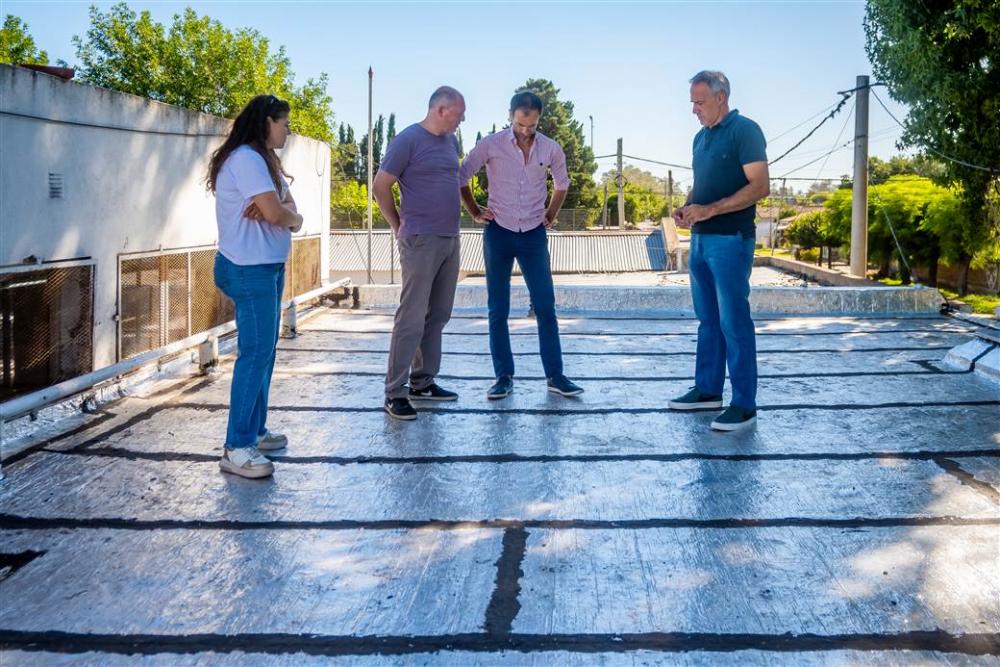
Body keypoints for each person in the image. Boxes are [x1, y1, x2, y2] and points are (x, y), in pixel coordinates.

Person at [459, 91, 583, 400]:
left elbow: (562, 184)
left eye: (531, 125)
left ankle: (555, 375)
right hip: (498, 232)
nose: (525, 131)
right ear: (511, 116)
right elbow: (462, 175)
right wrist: (474, 211)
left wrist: (551, 215)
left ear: (539, 119)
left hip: (533, 234)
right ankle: (503, 377)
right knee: (497, 308)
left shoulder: (551, 149)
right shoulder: (491, 144)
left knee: (545, 306)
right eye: (520, 124)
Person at [206, 94, 303, 478]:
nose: (288, 131)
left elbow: (290, 211)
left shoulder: (266, 162)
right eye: (284, 124)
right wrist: (281, 214)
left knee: (266, 352)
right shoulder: (247, 160)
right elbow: (280, 212)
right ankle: (236, 447)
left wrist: (285, 216)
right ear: (266, 121)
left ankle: (255, 432)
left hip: (267, 268)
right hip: (249, 270)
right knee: (255, 354)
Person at [668, 71, 769, 432]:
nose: (694, 109)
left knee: (734, 322)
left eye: (700, 102)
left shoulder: (745, 131)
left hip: (730, 240)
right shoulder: (700, 138)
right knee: (708, 320)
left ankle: (745, 404)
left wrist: (711, 210)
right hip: (700, 240)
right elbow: (702, 185)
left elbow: (760, 186)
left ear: (721, 97)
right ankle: (708, 390)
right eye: (692, 102)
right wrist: (688, 205)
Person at [374, 86, 466, 421]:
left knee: (438, 315)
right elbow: (380, 185)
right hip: (419, 240)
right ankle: (394, 392)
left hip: (449, 238)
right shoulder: (407, 139)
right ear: (441, 109)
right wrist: (396, 223)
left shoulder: (450, 142)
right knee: (411, 317)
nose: (463, 120)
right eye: (459, 113)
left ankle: (422, 382)